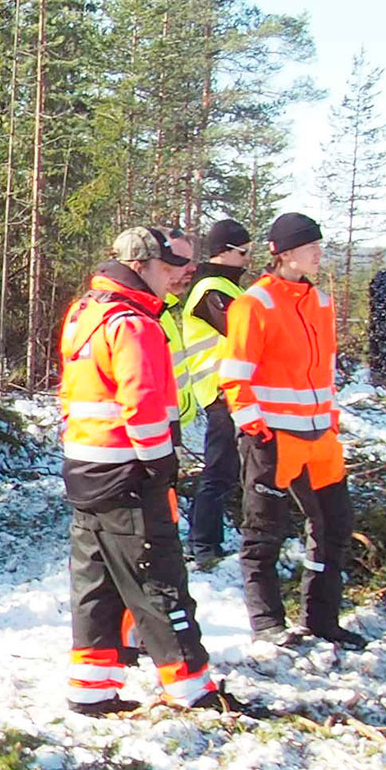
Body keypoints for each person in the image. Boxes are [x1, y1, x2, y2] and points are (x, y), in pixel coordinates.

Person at [57, 226, 246, 717]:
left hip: (85, 469)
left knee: (96, 584)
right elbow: (141, 404)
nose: (179, 276)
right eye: (170, 266)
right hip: (128, 471)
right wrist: (160, 464)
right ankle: (192, 687)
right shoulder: (134, 323)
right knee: (157, 578)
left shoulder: (85, 312)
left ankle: (92, 689)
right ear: (142, 266)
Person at [219, 212, 367, 651]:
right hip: (273, 439)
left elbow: (322, 373)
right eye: (311, 247)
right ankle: (267, 623)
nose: (319, 253)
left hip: (320, 440)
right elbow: (235, 375)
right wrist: (254, 426)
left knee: (335, 528)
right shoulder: (254, 303)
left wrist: (332, 420)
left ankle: (321, 620)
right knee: (263, 533)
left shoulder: (321, 302)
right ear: (285, 253)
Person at [175, 220, 251, 562]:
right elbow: (242, 332)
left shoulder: (227, 287)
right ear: (224, 251)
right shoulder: (210, 288)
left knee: (229, 469)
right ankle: (203, 543)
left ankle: (209, 540)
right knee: (219, 470)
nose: (248, 259)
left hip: (234, 391)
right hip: (220, 391)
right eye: (243, 252)